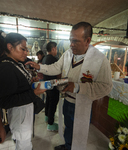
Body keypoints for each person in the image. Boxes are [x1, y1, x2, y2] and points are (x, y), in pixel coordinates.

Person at [26, 22, 113, 150]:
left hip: (81, 103)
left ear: (87, 40)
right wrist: (40, 67)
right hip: (66, 99)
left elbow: (106, 86)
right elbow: (57, 67)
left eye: (75, 41)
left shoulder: (100, 59)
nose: (71, 44)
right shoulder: (68, 53)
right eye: (70, 40)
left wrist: (78, 87)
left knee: (77, 132)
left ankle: (72, 147)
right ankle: (68, 145)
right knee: (68, 126)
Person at [0, 33, 46, 150]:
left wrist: (31, 83)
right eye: (22, 49)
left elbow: (17, 86)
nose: (26, 53)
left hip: (25, 110)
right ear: (10, 47)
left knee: (25, 142)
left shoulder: (16, 64)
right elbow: (5, 100)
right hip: (20, 113)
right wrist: (33, 93)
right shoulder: (6, 67)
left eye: (26, 49)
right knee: (24, 144)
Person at [42, 42, 60, 131]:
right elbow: (58, 73)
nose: (56, 51)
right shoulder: (53, 59)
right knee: (53, 103)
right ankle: (50, 123)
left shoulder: (45, 58)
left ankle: (46, 116)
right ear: (53, 49)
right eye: (56, 49)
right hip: (53, 85)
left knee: (48, 101)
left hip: (47, 84)